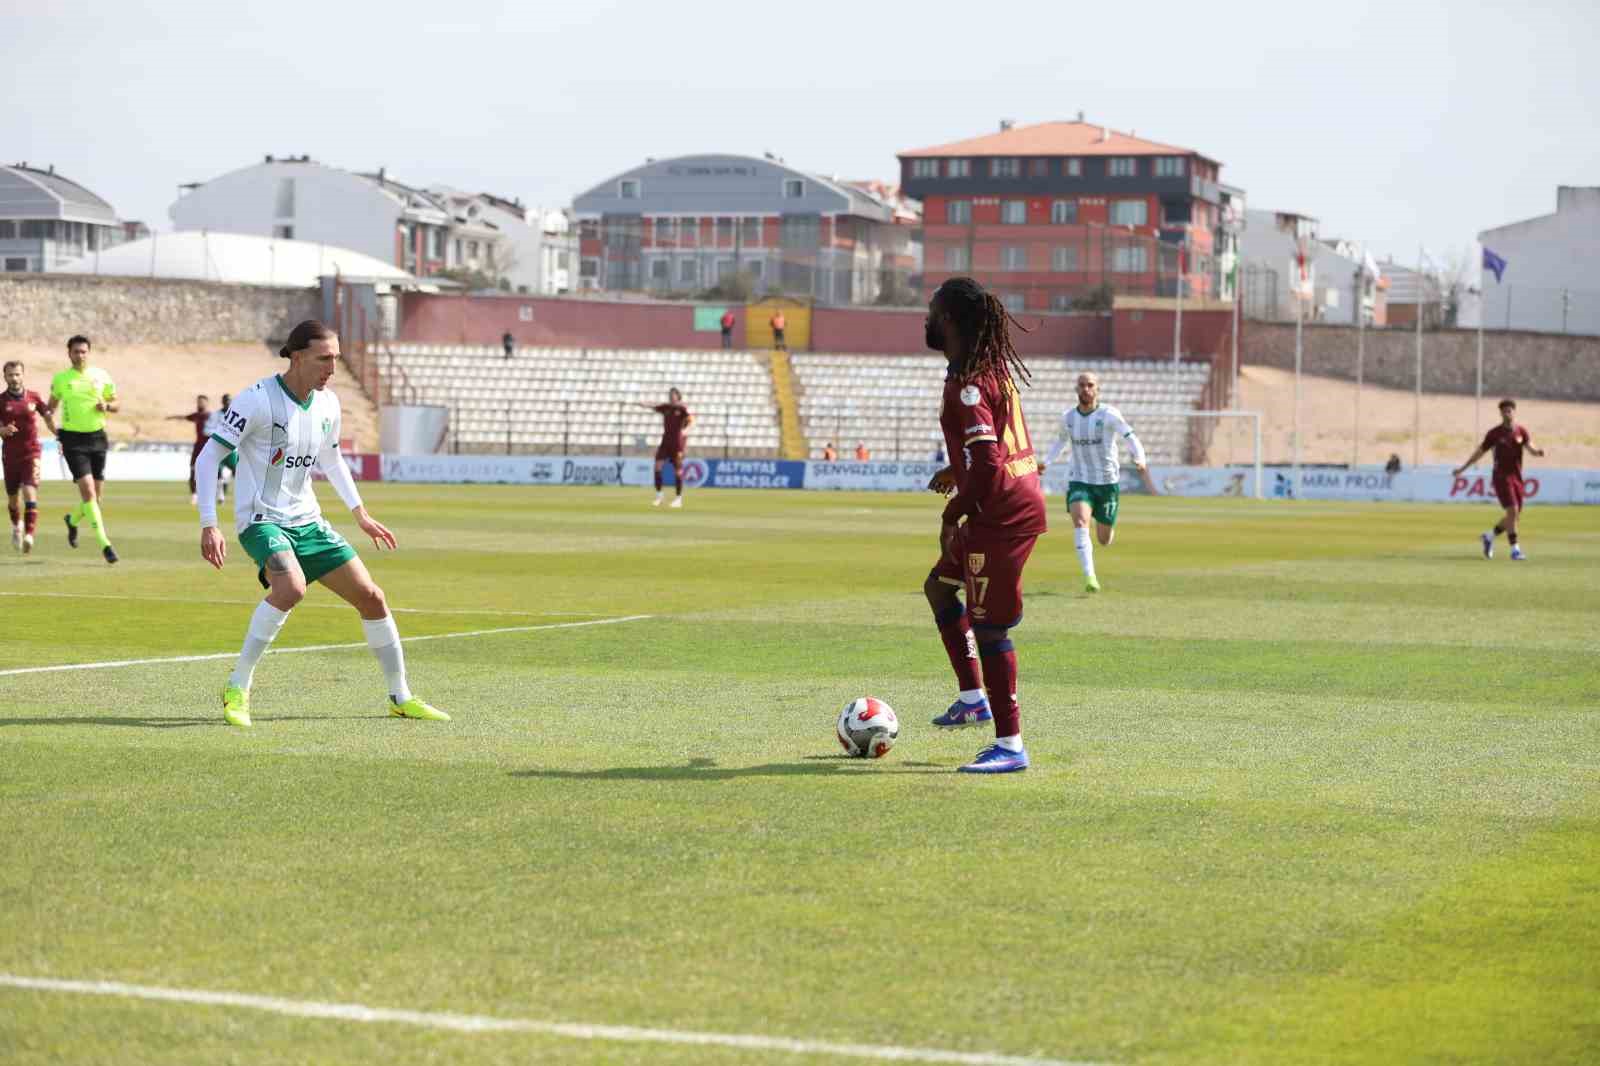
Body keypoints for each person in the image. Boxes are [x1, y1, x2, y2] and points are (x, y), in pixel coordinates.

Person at [193, 319, 449, 728]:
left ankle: (401, 696)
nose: (332, 367)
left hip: (308, 521)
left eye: (336, 358)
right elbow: (208, 458)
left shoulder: (328, 403)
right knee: (290, 587)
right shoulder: (256, 400)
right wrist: (210, 523)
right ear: (297, 357)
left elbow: (330, 460)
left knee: (372, 597)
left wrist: (360, 513)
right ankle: (237, 685)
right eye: (324, 358)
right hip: (262, 520)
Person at [921, 277, 1047, 774]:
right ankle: (973, 697)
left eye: (931, 311)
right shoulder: (985, 369)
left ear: (949, 320)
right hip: (1004, 501)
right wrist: (959, 471)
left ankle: (1011, 744)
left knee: (990, 628)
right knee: (938, 589)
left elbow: (991, 466)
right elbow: (989, 449)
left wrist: (953, 513)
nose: (926, 321)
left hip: (1002, 514)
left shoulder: (969, 384)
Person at [1039, 371, 1155, 593]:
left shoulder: (1109, 415)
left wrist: (1140, 458)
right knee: (1080, 522)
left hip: (1107, 482)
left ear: (1097, 389)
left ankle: (1106, 528)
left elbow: (1130, 436)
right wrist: (1047, 461)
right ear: (1076, 389)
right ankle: (1090, 576)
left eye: (1090, 385)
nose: (1085, 389)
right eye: (1081, 385)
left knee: (1104, 539)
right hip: (1079, 479)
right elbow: (1060, 441)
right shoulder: (1068, 418)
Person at [46, 335, 118, 564]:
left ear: (89, 353)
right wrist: (55, 431)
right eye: (76, 351)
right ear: (69, 353)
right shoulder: (61, 379)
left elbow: (116, 403)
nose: (80, 355)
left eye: (84, 351)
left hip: (97, 438)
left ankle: (73, 520)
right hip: (73, 441)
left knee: (96, 497)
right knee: (87, 490)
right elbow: (50, 408)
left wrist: (106, 406)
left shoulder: (101, 375)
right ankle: (105, 544)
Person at [1453, 398, 1546, 561]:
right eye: (1504, 410)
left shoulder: (1521, 431)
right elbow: (1479, 452)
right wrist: (1462, 468)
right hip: (1501, 477)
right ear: (1500, 413)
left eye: (1509, 410)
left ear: (1514, 412)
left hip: (1517, 477)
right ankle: (1515, 550)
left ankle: (1489, 537)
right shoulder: (1494, 434)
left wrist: (1538, 452)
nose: (1507, 413)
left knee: (1514, 516)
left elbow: (1530, 447)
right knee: (1513, 511)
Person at [2, 360, 56, 554]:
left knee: (29, 491)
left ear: (23, 375)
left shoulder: (33, 397)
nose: (14, 378)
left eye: (17, 374)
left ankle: (29, 535)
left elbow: (47, 415)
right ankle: (17, 526)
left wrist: (58, 434)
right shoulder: (1, 401)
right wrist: (2, 430)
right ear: (5, 377)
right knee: (13, 500)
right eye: (10, 375)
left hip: (31, 453)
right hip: (10, 456)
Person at [634, 388, 693, 508]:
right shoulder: (666, 407)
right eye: (670, 394)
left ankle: (678, 499)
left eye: (673, 395)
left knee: (678, 471)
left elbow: (691, 420)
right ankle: (659, 496)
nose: (671, 396)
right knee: (657, 466)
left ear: (678, 396)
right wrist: (644, 404)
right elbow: (654, 406)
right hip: (665, 442)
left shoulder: (682, 408)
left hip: (677, 444)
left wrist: (686, 430)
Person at [169, 394, 212, 505]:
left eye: (202, 402)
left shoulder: (210, 416)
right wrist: (172, 417)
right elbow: (184, 417)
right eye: (198, 402)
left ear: (207, 403)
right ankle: (194, 495)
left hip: (208, 447)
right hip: (197, 446)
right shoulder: (196, 415)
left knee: (210, 471)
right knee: (193, 469)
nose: (199, 404)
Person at [206, 393, 237, 502]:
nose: (228, 403)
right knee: (218, 473)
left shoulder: (236, 415)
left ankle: (241, 494)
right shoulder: (215, 415)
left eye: (230, 401)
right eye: (226, 401)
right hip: (218, 448)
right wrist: (220, 434)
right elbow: (207, 430)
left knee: (238, 471)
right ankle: (220, 495)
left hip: (231, 450)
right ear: (222, 402)